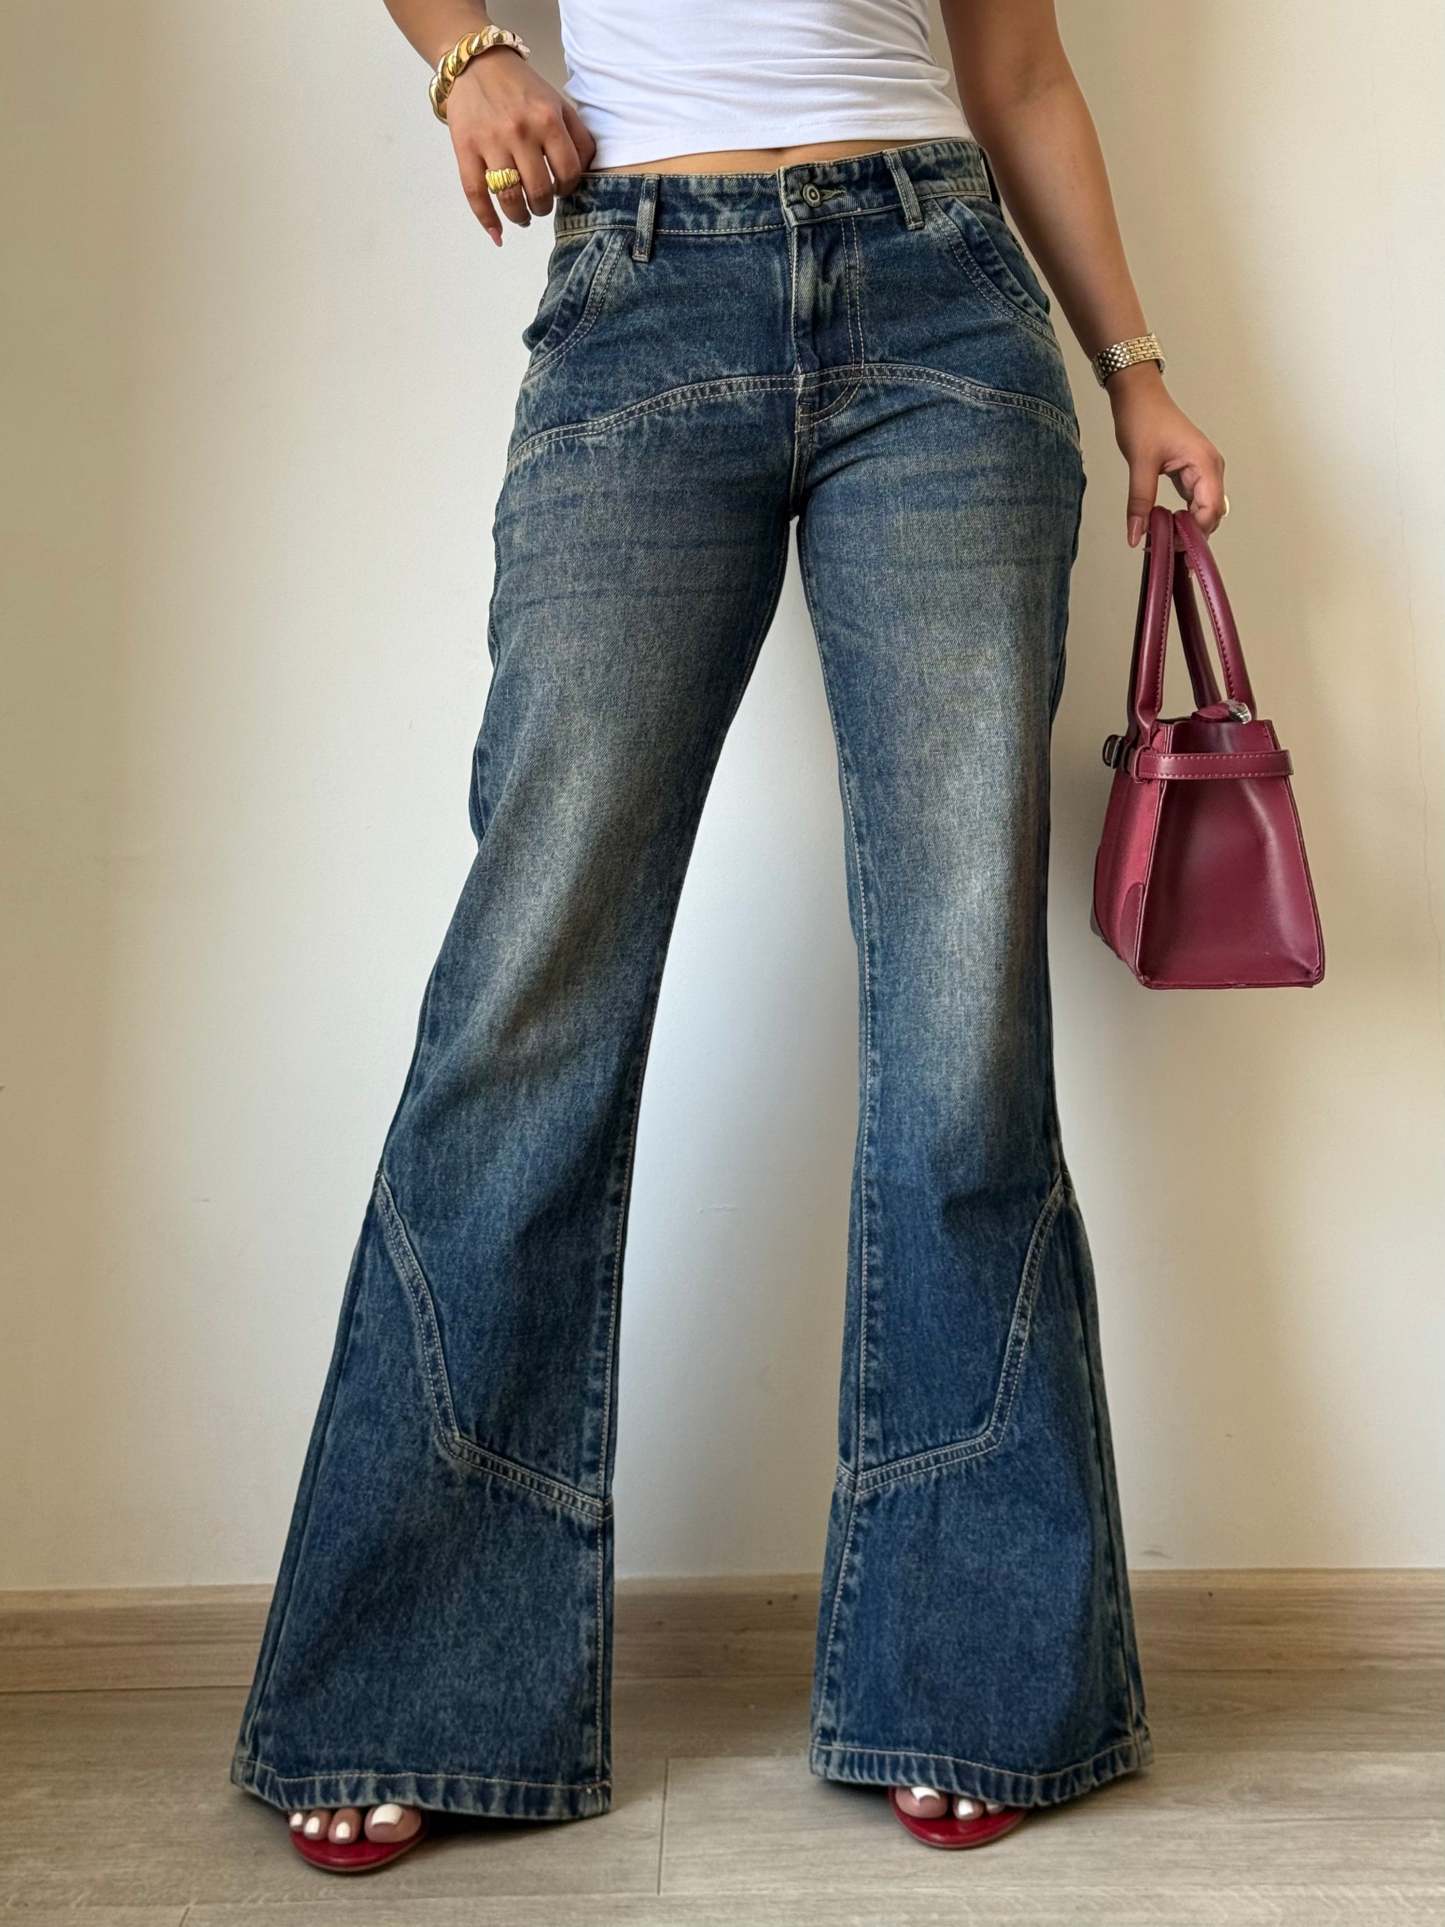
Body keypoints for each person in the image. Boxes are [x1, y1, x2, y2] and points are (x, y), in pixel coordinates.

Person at [230, 0, 1225, 1873]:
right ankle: (411, 1683)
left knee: (961, 1020)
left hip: (943, 299)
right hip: (644, 286)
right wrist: (467, 59)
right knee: (527, 996)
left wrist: (1135, 372)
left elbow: (1017, 69)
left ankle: (973, 1677)